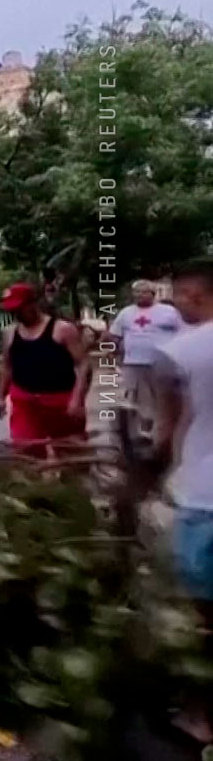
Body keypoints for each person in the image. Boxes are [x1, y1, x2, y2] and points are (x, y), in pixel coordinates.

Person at [149, 260, 213, 741]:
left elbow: (166, 431)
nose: (174, 303)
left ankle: (200, 716)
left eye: (178, 295)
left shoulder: (177, 353)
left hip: (205, 499)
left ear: (195, 295)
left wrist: (151, 466)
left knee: (200, 616)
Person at [0, 282, 92, 457]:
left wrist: (77, 399)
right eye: (12, 310)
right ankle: (35, 483)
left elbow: (84, 365)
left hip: (60, 401)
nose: (16, 314)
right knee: (26, 451)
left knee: (71, 453)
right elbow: (7, 366)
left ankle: (72, 482)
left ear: (33, 304)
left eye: (19, 308)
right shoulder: (10, 333)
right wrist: (0, 397)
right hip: (25, 402)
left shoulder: (62, 330)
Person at [109, 279, 185, 436]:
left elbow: (184, 332)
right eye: (136, 292)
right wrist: (113, 351)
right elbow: (114, 336)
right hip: (134, 363)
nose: (140, 295)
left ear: (153, 293)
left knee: (163, 398)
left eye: (144, 292)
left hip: (163, 364)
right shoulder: (126, 313)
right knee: (136, 399)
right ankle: (144, 432)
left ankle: (166, 432)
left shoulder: (169, 312)